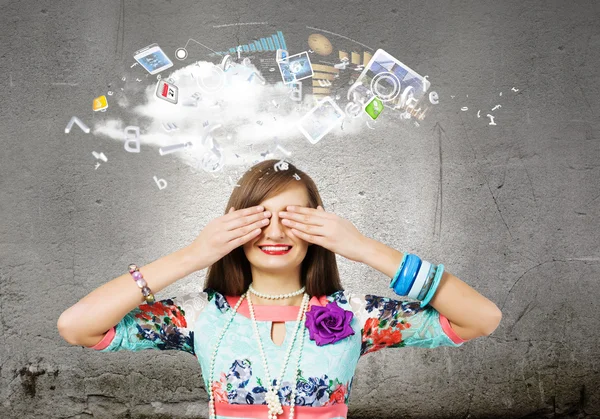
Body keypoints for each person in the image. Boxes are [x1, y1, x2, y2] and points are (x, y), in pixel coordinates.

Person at [57, 159, 502, 419]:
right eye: (257, 216)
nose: (274, 231)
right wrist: (194, 255)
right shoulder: (202, 316)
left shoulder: (357, 316)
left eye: (292, 217)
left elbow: (482, 318)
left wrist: (364, 248)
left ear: (318, 227)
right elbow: (78, 327)